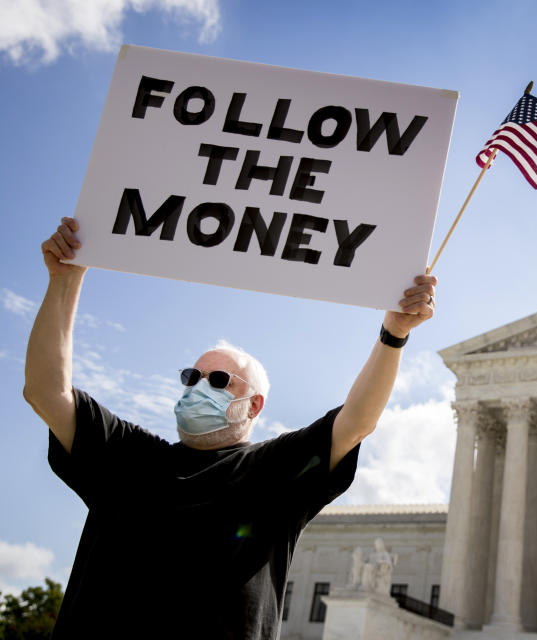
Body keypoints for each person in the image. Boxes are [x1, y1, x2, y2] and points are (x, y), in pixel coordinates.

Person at [23, 216, 438, 639]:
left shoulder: (274, 471)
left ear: (254, 405)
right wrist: (65, 280)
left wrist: (394, 334)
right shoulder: (130, 456)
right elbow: (45, 392)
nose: (200, 388)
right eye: (192, 377)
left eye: (219, 381)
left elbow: (355, 422)